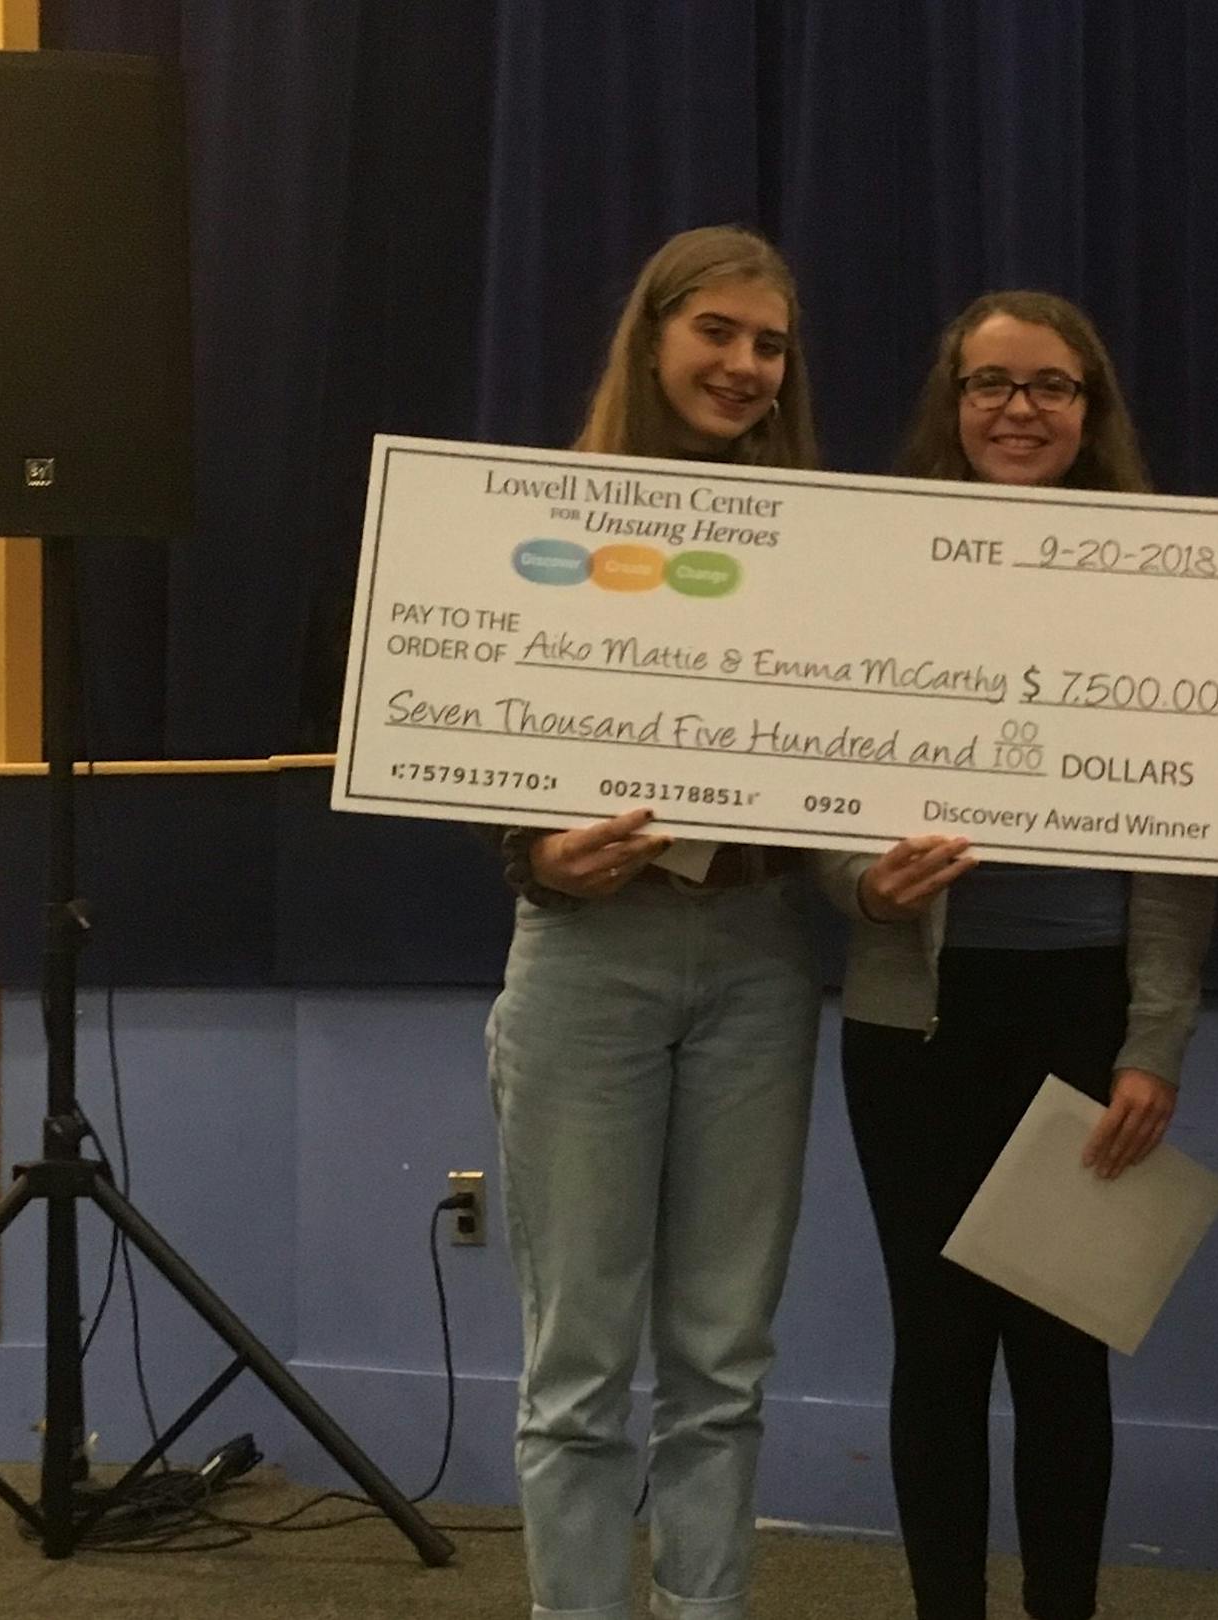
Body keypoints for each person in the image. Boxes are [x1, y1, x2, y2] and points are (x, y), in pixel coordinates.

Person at [812, 290, 1216, 1620]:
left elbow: (1179, 838)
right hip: (912, 1020)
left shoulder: (1163, 580)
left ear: (1091, 411)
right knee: (936, 1350)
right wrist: (860, 883)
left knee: (1060, 1353)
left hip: (1079, 1009)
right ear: (953, 401)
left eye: (1050, 386)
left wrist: (1153, 1037)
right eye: (991, 384)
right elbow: (808, 770)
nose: (1019, 409)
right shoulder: (878, 569)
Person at [485, 225, 822, 1620]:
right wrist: (536, 849)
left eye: (771, 345)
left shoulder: (828, 540)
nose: (745, 366)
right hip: (587, 957)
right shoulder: (537, 518)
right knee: (576, 1368)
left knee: (723, 1361)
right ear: (654, 336)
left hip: (760, 957)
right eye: (720, 334)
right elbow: (471, 728)